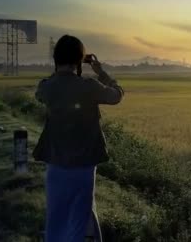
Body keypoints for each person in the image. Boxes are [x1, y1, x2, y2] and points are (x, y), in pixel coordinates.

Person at [33, 35, 124, 242]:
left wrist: (61, 68)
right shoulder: (89, 86)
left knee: (55, 221)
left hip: (55, 166)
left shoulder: (47, 87)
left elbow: (44, 88)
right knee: (79, 223)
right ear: (79, 59)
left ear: (56, 58)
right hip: (83, 167)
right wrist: (101, 72)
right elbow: (117, 95)